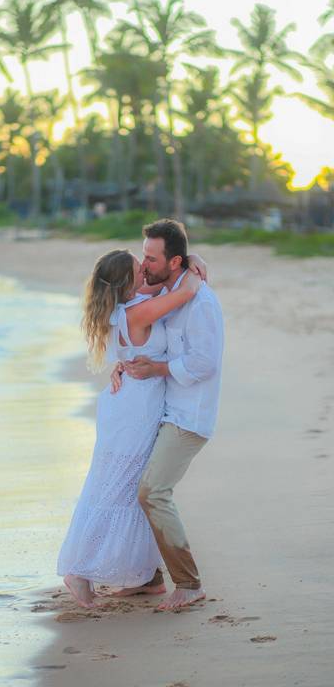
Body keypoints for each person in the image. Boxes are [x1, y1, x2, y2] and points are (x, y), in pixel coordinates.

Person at [57, 248, 204, 609]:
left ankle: (145, 577)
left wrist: (192, 256)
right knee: (115, 489)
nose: (145, 274)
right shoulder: (138, 311)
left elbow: (167, 285)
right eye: (140, 270)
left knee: (120, 488)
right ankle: (79, 571)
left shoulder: (128, 306)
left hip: (128, 406)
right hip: (133, 412)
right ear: (126, 284)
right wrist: (192, 267)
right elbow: (186, 292)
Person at [111, 219, 224, 611]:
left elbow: (204, 363)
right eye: (143, 255)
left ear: (173, 261)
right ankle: (147, 578)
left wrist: (158, 370)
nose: (143, 264)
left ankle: (189, 584)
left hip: (188, 417)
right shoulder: (166, 287)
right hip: (158, 411)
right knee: (131, 488)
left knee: (152, 492)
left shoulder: (201, 301)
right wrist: (123, 364)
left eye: (150, 257)